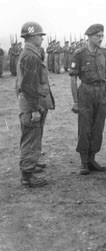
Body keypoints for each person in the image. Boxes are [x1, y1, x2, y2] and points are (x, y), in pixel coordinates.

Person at [16, 21, 55, 187]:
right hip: (32, 104)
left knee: (33, 136)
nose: (42, 38)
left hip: (33, 102)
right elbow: (28, 85)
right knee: (31, 139)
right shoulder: (31, 56)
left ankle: (31, 164)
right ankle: (27, 175)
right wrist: (34, 109)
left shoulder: (30, 53)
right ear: (31, 37)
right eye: (40, 35)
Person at [69, 24, 106, 175]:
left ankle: (92, 159)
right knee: (84, 127)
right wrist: (75, 101)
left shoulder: (104, 52)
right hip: (86, 91)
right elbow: (73, 79)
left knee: (98, 127)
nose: (100, 38)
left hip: (101, 92)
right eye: (97, 36)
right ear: (89, 36)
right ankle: (84, 161)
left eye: (101, 36)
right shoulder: (79, 53)